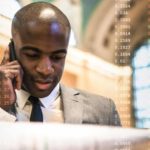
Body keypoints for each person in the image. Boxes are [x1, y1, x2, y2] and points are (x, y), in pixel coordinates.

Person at [0, 2, 121, 125]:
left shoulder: (103, 111)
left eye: (57, 57)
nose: (46, 69)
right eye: (32, 55)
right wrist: (3, 109)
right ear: (11, 50)